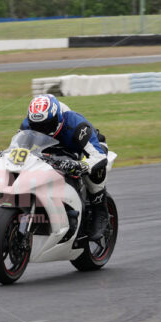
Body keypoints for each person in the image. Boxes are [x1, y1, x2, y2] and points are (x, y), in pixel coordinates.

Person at [20, 94, 109, 241]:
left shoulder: (76, 125)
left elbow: (99, 157)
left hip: (87, 149)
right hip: (55, 150)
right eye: (37, 126)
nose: (41, 130)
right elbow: (20, 150)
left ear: (57, 119)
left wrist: (80, 165)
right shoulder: (28, 124)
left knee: (93, 169)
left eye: (46, 125)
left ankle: (100, 209)